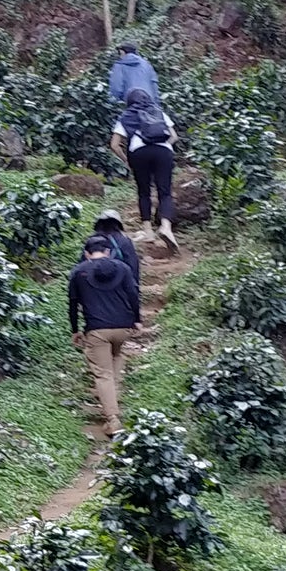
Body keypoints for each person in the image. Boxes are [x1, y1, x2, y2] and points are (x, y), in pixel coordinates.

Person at [67, 231, 141, 433]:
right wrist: (137, 319)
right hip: (123, 327)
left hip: (97, 329)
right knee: (116, 358)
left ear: (87, 253)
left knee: (103, 374)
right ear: (108, 251)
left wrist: (75, 329)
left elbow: (73, 304)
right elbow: (133, 294)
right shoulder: (123, 268)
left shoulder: (79, 272)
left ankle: (113, 419)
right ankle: (113, 399)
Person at [112, 87, 178, 251]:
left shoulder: (125, 116)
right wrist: (163, 147)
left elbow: (114, 145)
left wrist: (127, 159)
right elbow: (174, 136)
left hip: (139, 153)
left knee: (144, 192)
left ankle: (148, 232)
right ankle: (166, 228)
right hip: (163, 151)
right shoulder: (158, 112)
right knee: (165, 191)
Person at [91, 206, 140, 297]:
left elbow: (82, 265)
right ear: (118, 225)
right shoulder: (125, 241)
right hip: (119, 287)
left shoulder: (92, 240)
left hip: (96, 288)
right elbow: (133, 267)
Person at [108, 38, 163, 111]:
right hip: (149, 105)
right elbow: (154, 85)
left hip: (130, 106)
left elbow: (116, 87)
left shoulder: (119, 66)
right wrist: (157, 105)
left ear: (122, 52)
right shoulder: (147, 64)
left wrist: (114, 103)